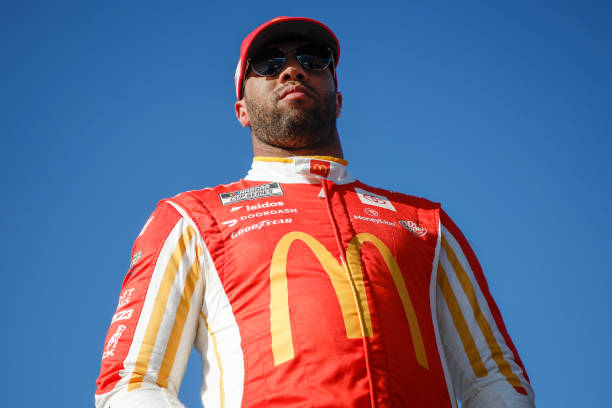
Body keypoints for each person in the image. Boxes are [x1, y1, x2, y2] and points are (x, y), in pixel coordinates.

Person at [95, 16, 535, 408]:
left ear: (338, 100)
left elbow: (495, 379)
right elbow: (130, 382)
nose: (292, 69)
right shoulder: (192, 217)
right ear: (241, 110)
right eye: (268, 63)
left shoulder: (425, 223)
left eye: (313, 58)